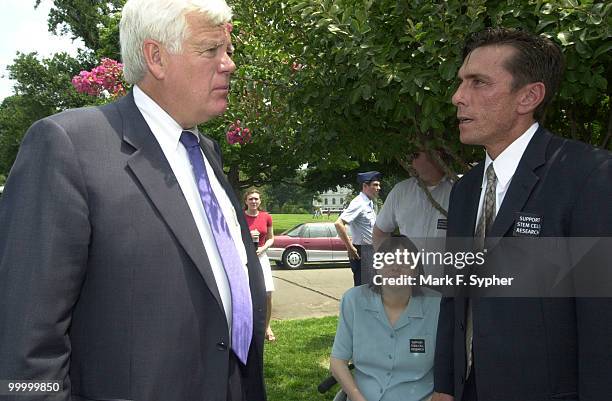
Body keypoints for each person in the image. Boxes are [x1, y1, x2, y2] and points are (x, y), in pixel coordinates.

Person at [0, 1, 266, 400]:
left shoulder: (207, 152)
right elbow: (24, 348)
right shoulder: (68, 146)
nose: (228, 64)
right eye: (211, 50)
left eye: (228, 50)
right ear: (156, 57)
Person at [433, 28, 612, 401]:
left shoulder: (588, 177)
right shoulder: (465, 190)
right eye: (461, 82)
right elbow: (454, 299)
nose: (457, 97)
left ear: (529, 96)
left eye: (478, 82)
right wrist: (445, 386)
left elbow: (602, 321)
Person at [331, 237, 441, 401]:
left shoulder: (437, 305)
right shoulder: (353, 300)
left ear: (416, 269)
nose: (395, 267)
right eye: (388, 260)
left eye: (404, 261)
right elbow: (338, 361)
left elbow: (449, 367)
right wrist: (355, 396)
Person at [373, 150, 452, 270]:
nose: (410, 161)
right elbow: (380, 232)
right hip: (410, 284)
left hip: (449, 283)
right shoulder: (401, 191)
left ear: (436, 155)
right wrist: (388, 265)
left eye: (415, 155)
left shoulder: (460, 189)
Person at [335, 171, 382, 286]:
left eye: (379, 185)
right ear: (365, 186)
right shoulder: (359, 203)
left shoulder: (369, 203)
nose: (378, 188)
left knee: (373, 289)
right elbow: (339, 223)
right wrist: (349, 247)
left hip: (371, 251)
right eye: (375, 185)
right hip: (362, 251)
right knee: (363, 290)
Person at [243, 188, 276, 341]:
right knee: (247, 293)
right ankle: (247, 325)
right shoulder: (241, 217)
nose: (254, 201)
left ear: (260, 201)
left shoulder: (266, 217)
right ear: (246, 201)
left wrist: (263, 248)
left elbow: (271, 238)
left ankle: (266, 326)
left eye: (256, 199)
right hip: (245, 258)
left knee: (268, 293)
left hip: (261, 257)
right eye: (251, 199)